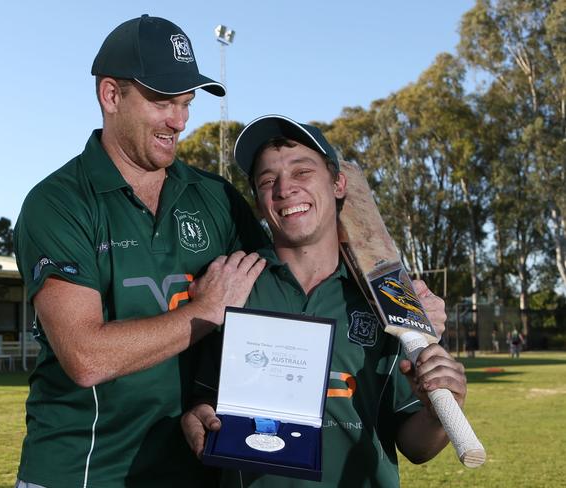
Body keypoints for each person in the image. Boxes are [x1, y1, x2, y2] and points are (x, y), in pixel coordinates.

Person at [13, 15, 269, 488]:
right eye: (162, 101)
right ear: (111, 96)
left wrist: (399, 301)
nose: (181, 120)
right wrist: (209, 310)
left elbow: (283, 297)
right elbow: (85, 356)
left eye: (187, 103)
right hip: (84, 471)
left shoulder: (216, 198)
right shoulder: (59, 202)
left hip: (195, 468)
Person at [181, 115, 468, 487]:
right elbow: (202, 399)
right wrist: (198, 416)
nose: (285, 189)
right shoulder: (234, 285)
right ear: (258, 200)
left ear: (338, 183)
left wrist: (437, 412)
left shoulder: (390, 298)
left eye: (302, 172)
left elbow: (415, 446)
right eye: (268, 181)